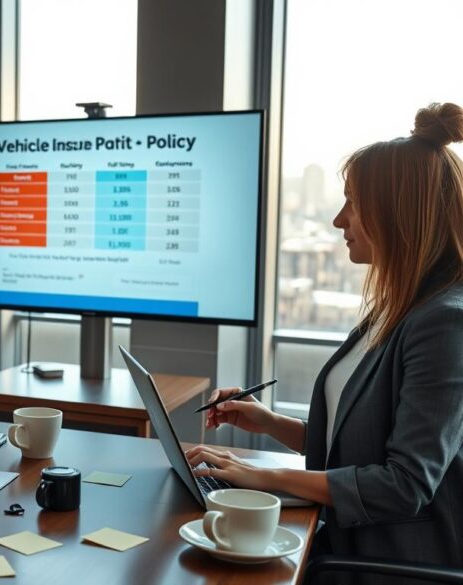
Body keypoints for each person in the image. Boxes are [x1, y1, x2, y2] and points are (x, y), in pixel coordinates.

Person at [185, 103, 463, 571]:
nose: (339, 219)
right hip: (344, 542)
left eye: (353, 202)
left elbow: (404, 484)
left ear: (397, 214)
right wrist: (270, 423)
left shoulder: (444, 325)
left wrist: (262, 476)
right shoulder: (399, 309)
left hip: (383, 565)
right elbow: (364, 445)